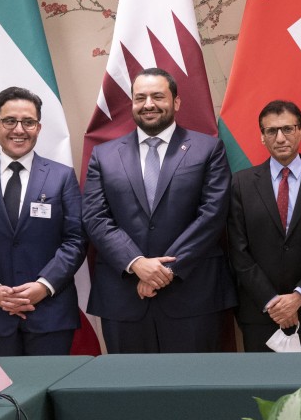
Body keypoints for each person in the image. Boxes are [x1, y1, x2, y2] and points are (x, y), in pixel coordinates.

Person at [83, 67, 235, 353]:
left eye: (157, 96)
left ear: (176, 102)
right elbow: (95, 216)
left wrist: (165, 270)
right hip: (124, 296)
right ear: (132, 103)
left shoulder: (208, 149)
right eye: (140, 98)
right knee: (130, 389)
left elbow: (212, 214)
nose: (148, 104)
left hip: (192, 294)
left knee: (194, 388)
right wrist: (136, 263)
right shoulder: (103, 155)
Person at [0, 87, 85, 356]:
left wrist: (43, 286)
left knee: (48, 392)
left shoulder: (62, 177)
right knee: (3, 394)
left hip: (50, 313)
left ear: (39, 127)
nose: (19, 130)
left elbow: (76, 240)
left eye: (28, 122)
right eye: (10, 121)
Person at [227, 101, 301, 351]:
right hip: (259, 313)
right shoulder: (241, 184)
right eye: (271, 131)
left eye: (288, 129)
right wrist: (272, 302)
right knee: (261, 389)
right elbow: (238, 250)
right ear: (262, 137)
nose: (280, 138)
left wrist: (299, 297)